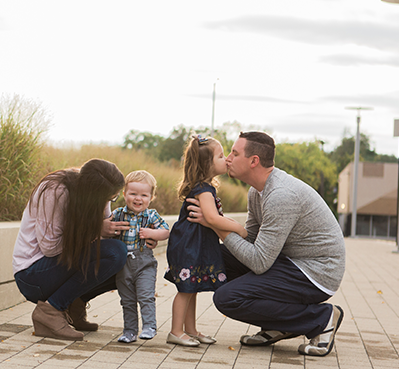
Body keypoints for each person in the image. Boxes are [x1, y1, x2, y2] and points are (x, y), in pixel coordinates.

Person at [187, 131, 346, 357]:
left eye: (234, 153)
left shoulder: (281, 195)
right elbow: (251, 240)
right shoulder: (257, 192)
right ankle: (279, 325)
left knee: (227, 299)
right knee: (213, 257)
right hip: (286, 261)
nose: (228, 158)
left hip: (316, 273)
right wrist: (221, 222)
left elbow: (259, 262)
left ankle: (321, 318)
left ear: (254, 161)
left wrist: (215, 225)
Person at [12, 159, 130, 341]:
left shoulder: (97, 191)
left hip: (58, 268)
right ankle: (50, 311)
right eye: (108, 198)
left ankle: (75, 305)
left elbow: (104, 234)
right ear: (93, 193)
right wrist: (95, 229)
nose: (109, 202)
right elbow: (50, 248)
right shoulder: (55, 191)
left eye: (112, 199)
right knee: (115, 253)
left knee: (130, 260)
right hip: (33, 274)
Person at [165, 135, 246, 347]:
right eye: (221, 156)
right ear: (206, 164)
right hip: (189, 246)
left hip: (195, 245)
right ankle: (175, 331)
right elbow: (212, 218)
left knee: (191, 288)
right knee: (185, 290)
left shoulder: (205, 187)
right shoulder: (204, 190)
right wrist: (238, 228)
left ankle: (190, 330)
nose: (226, 158)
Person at [111, 170, 170, 343]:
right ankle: (129, 331)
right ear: (124, 194)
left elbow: (166, 231)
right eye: (133, 194)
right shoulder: (118, 214)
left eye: (144, 195)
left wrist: (152, 232)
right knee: (127, 300)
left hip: (145, 263)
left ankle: (149, 326)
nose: (138, 199)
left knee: (145, 296)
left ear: (151, 197)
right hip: (123, 264)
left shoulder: (151, 215)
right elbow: (107, 228)